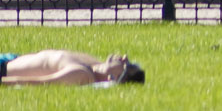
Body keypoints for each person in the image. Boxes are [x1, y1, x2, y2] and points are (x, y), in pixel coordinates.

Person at [0, 49, 145, 85]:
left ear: (114, 78)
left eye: (127, 65)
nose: (125, 57)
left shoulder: (81, 73)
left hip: (4, 69)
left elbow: (43, 82)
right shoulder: (94, 64)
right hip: (11, 58)